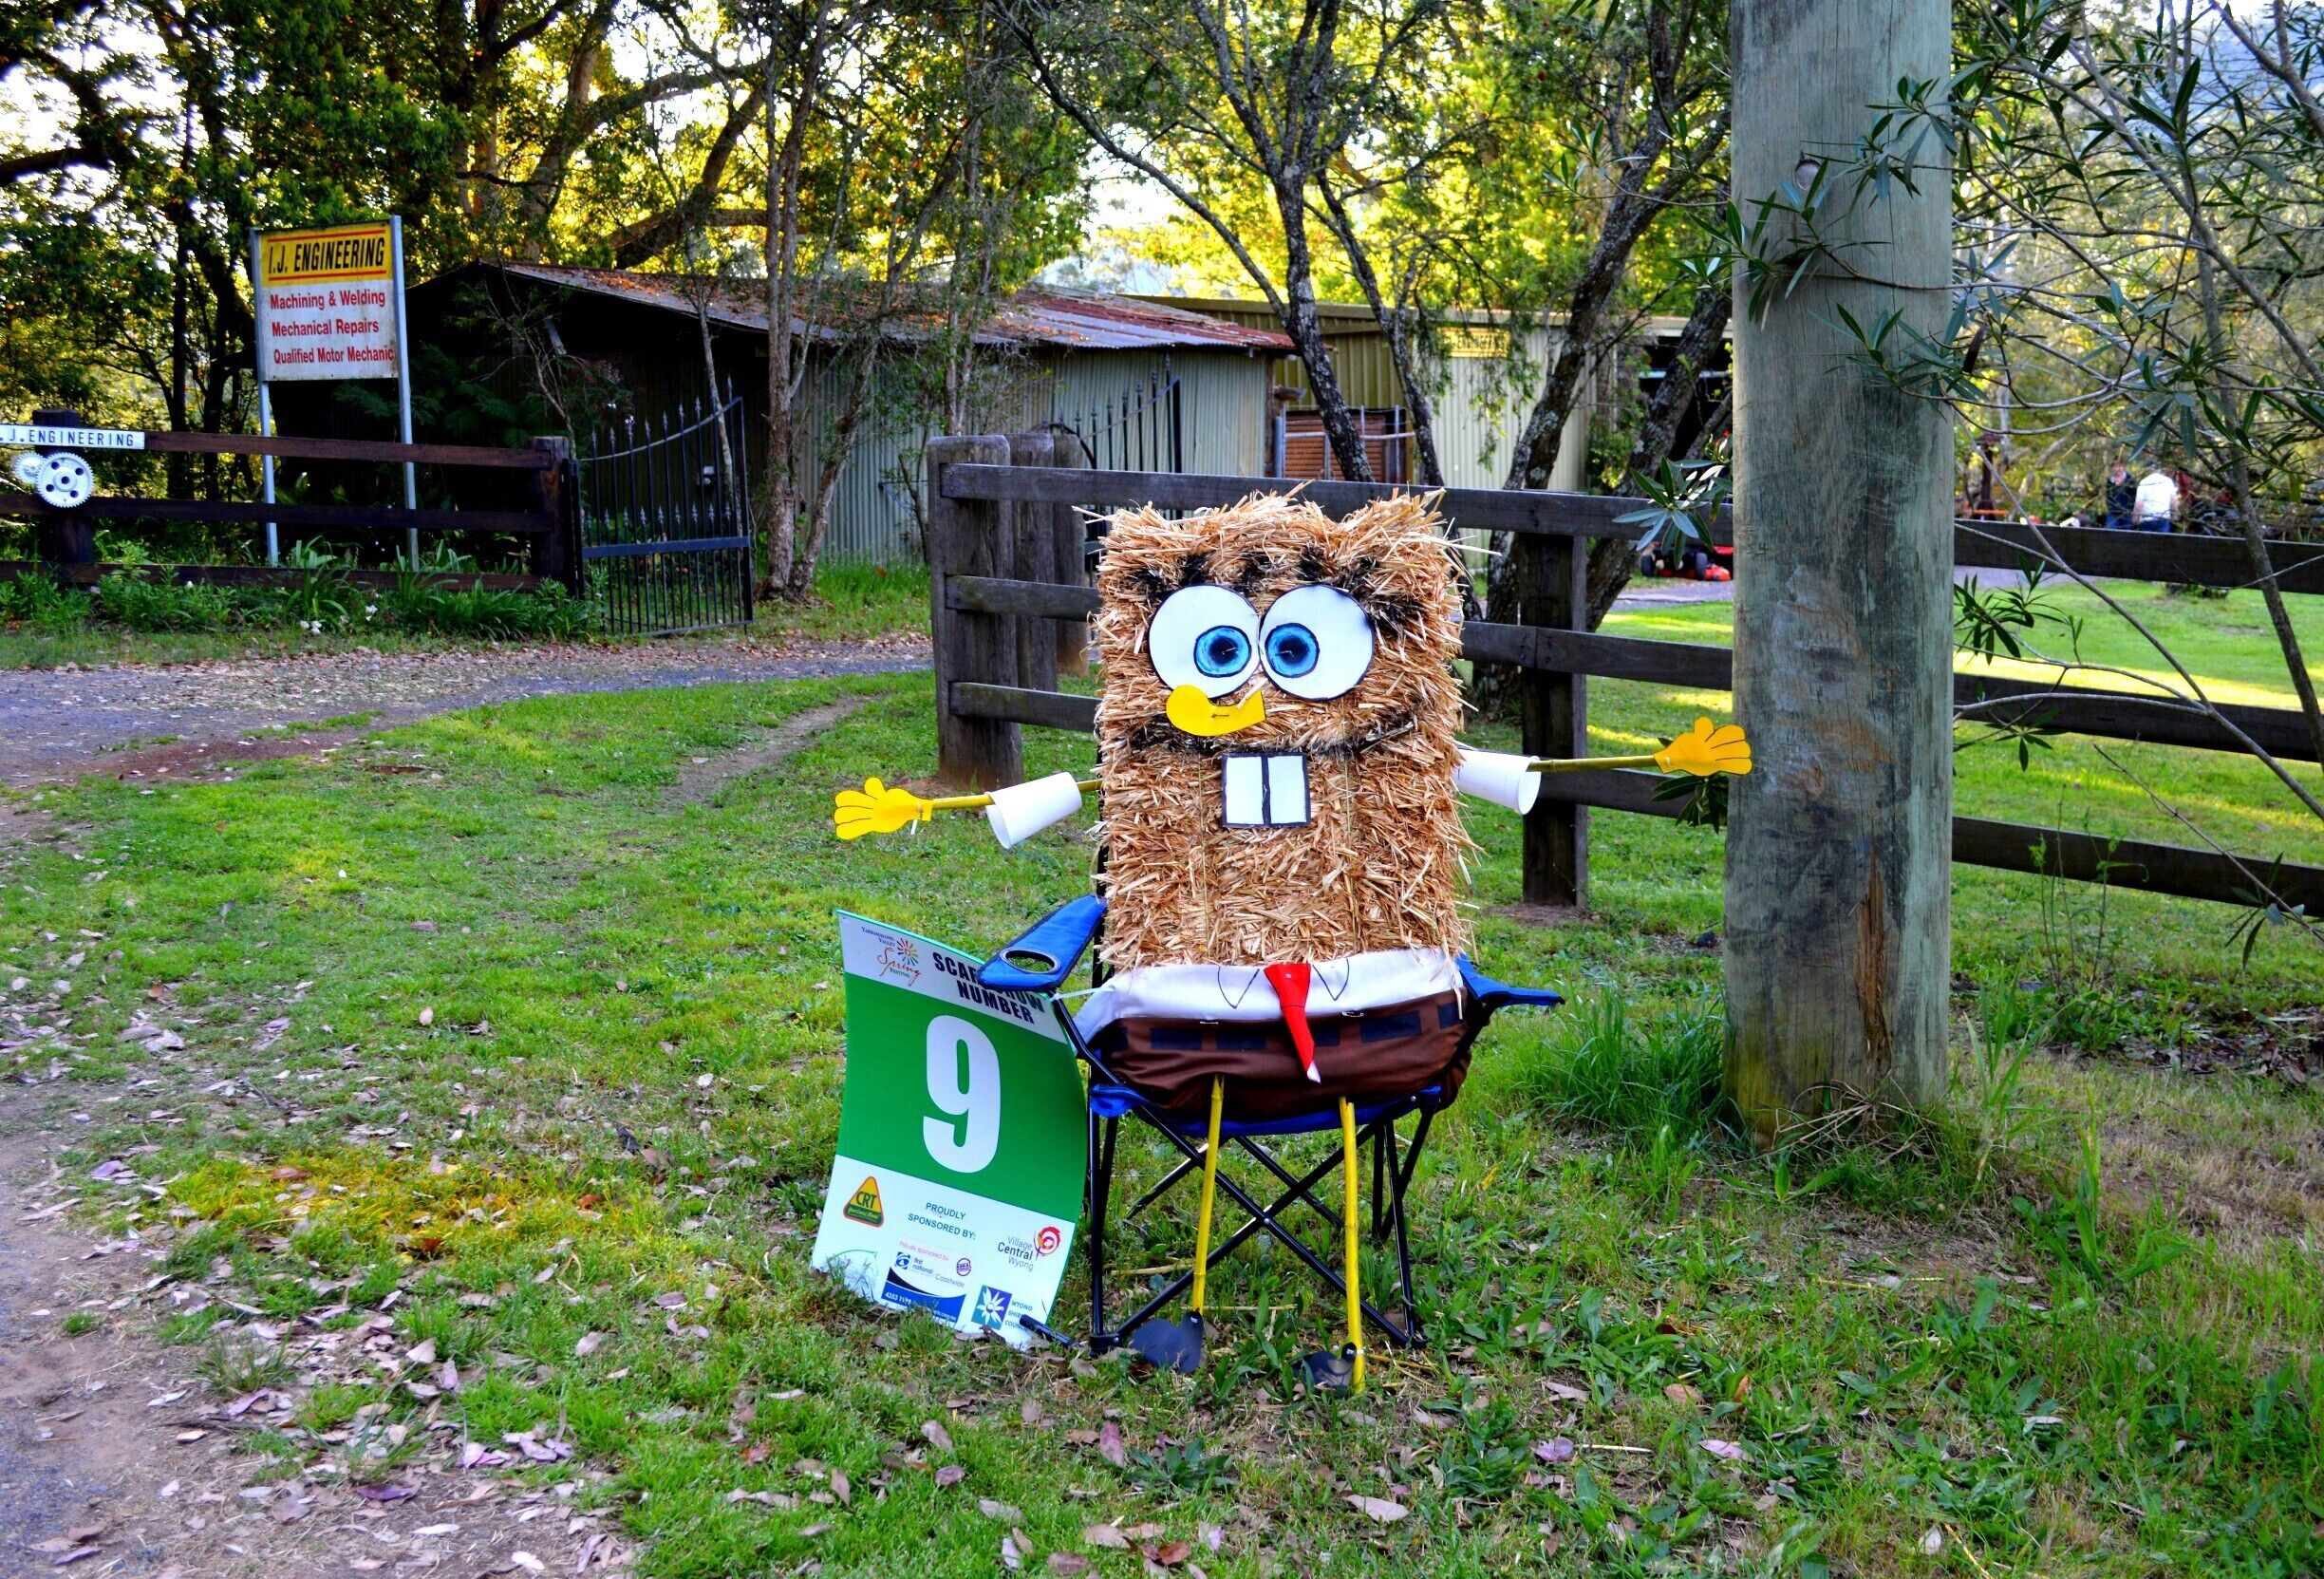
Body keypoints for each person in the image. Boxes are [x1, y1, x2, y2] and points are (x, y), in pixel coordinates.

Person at [2133, 466, 2179, 532]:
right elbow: (2173, 501)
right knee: (2163, 541)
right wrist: (2175, 517)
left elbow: (2139, 504)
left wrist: (2135, 520)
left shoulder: (2144, 482)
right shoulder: (2168, 482)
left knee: (2146, 541)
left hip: (2147, 519)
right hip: (2163, 518)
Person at [2104, 460, 2135, 530]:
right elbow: (2108, 496)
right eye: (2116, 466)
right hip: (2113, 513)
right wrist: (2111, 507)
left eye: (2121, 466)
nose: (2119, 468)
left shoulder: (2130, 479)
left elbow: (2134, 496)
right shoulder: (2110, 480)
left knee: (2127, 535)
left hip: (2127, 513)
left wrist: (2129, 509)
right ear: (2113, 468)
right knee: (2110, 533)